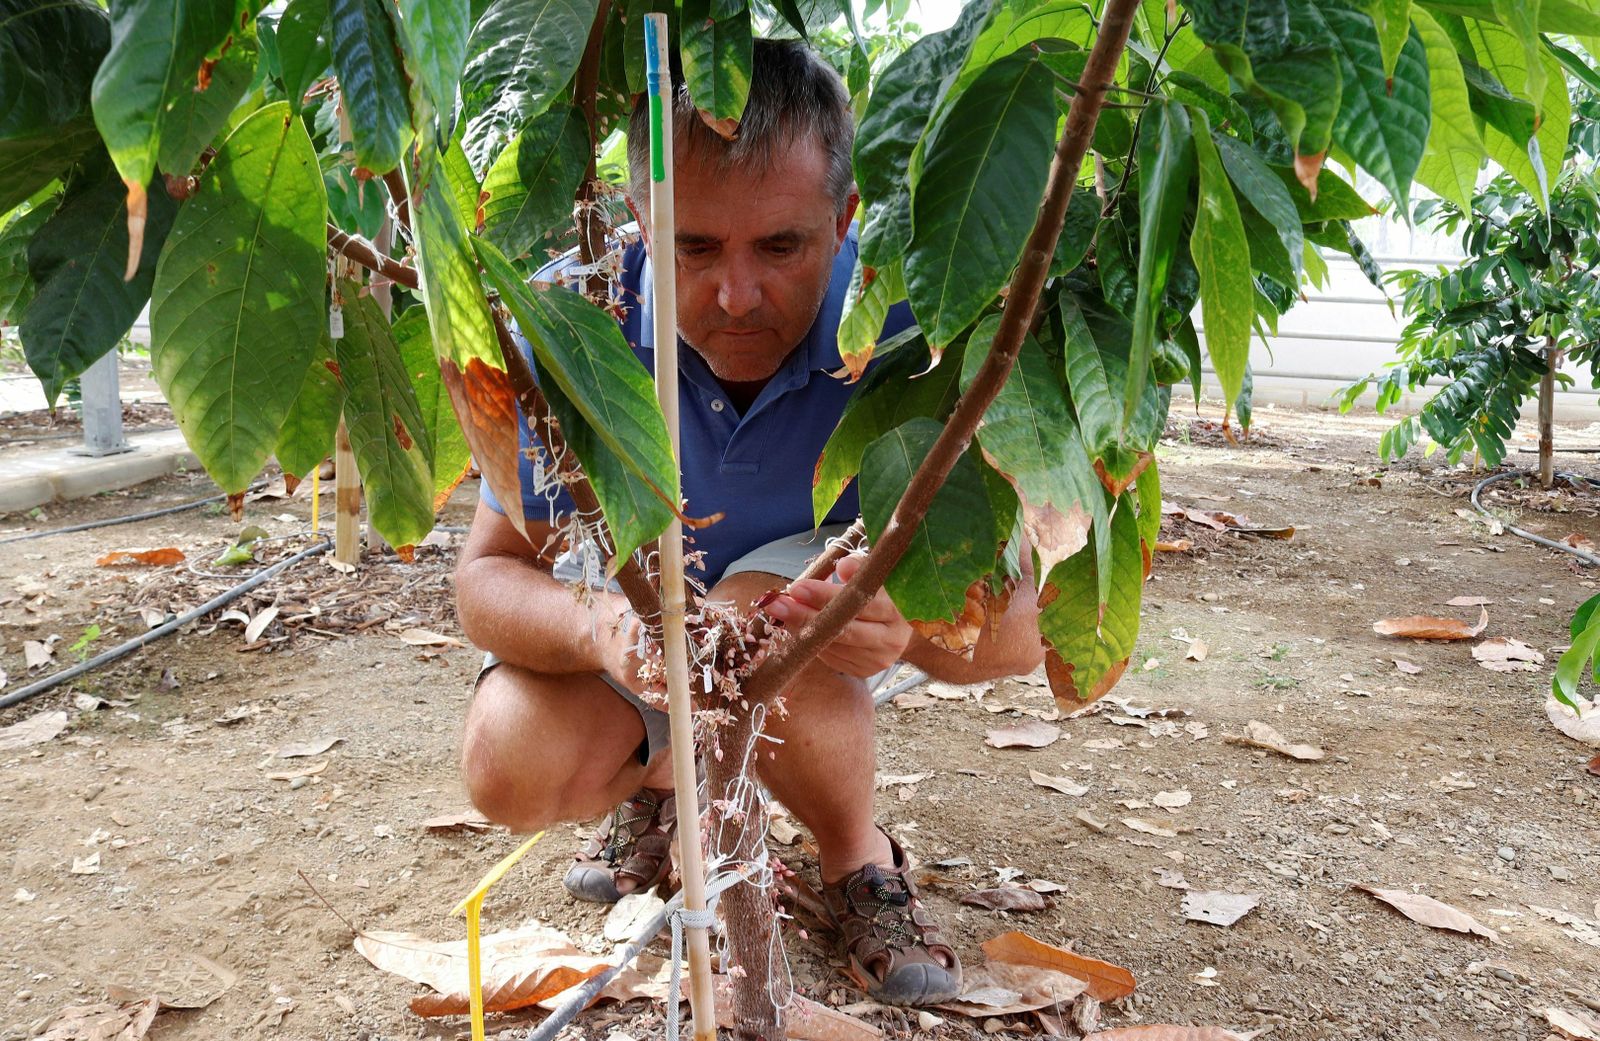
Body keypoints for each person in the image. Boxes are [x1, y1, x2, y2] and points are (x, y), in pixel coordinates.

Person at [454, 39, 1045, 1008]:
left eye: (780, 247)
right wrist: (597, 628)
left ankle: (857, 858)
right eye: (691, 247)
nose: (735, 297)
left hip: (803, 657)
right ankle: (660, 789)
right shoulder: (569, 326)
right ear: (640, 220)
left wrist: (913, 615)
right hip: (636, 644)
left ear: (845, 219)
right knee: (506, 754)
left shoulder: (918, 330)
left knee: (751, 613)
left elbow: (1025, 626)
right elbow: (487, 579)